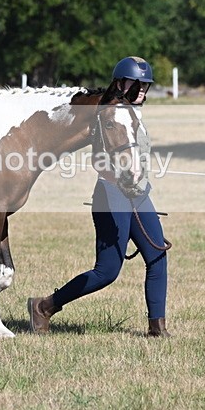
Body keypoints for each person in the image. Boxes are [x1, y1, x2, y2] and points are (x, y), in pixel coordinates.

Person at [28, 56, 171, 337]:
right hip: (111, 195)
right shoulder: (105, 113)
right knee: (107, 272)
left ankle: (157, 328)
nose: (142, 89)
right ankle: (44, 306)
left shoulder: (133, 113)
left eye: (145, 85)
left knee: (157, 255)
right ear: (119, 83)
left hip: (139, 194)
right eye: (136, 83)